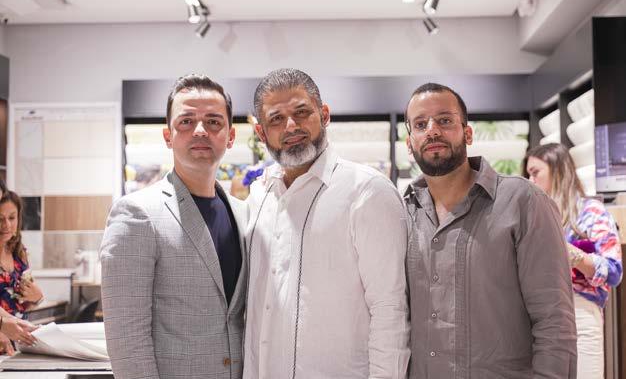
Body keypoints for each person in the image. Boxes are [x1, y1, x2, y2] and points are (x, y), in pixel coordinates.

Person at [243, 68, 410, 378]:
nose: (291, 126)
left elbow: (390, 310)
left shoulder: (367, 191)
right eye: (276, 119)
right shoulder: (259, 196)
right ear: (261, 134)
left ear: (324, 114)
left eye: (301, 112)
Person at [403, 83, 577, 379]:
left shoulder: (524, 202)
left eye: (444, 120)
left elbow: (554, 322)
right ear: (409, 143)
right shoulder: (403, 213)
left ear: (468, 133)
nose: (432, 131)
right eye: (420, 124)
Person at [100, 74, 249, 379]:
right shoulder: (137, 214)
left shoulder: (243, 213)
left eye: (213, 122)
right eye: (186, 121)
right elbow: (127, 340)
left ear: (230, 136)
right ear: (168, 136)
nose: (200, 130)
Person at [525, 143, 622, 379]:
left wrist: (574, 255)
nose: (530, 180)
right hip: (537, 318)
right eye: (528, 174)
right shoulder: (531, 216)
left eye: (535, 172)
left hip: (580, 314)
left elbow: (613, 271)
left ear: (557, 171)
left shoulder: (591, 213)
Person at [0, 190, 40, 355]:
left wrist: (36, 298)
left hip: (19, 343)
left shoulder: (19, 253)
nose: (6, 225)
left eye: (12, 218)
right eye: (0, 218)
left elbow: (25, 301)